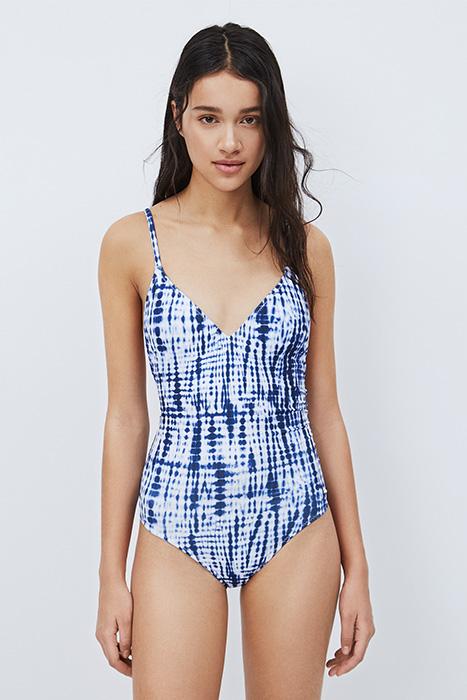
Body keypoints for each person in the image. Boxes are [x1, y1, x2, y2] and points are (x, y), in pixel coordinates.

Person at [95, 21, 375, 700]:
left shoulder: (305, 248)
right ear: (178, 117)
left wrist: (358, 569)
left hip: (294, 518)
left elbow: (325, 411)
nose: (230, 142)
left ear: (269, 123)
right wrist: (110, 574)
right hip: (175, 521)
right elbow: (127, 417)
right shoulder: (132, 244)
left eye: (249, 119)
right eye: (209, 117)